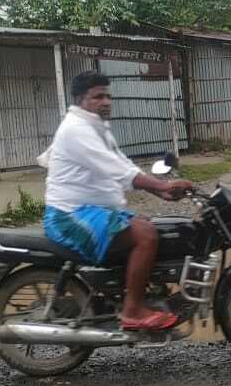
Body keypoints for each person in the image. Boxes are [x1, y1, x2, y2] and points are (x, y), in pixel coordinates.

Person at [43, 71, 194, 331]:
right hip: (70, 215)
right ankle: (132, 311)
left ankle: (132, 292)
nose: (106, 102)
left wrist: (160, 192)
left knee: (155, 226)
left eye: (108, 96)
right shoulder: (77, 129)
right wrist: (163, 184)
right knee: (145, 235)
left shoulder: (96, 127)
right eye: (98, 96)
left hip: (92, 210)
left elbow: (124, 166)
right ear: (81, 99)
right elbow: (118, 170)